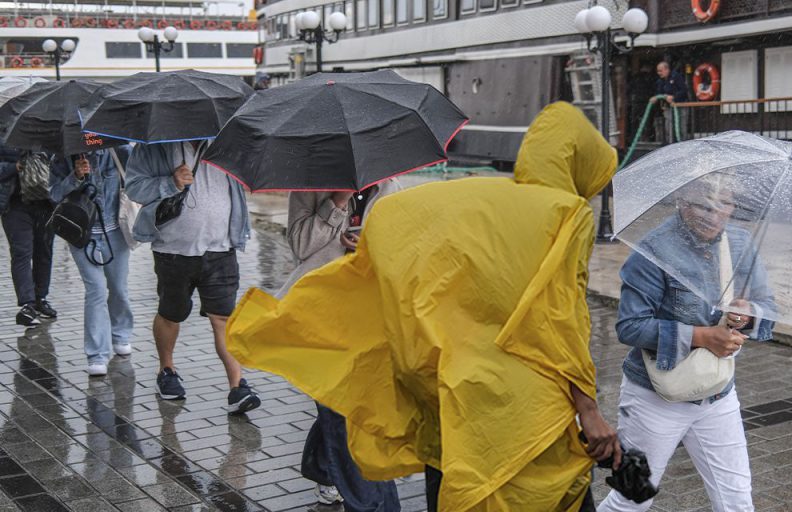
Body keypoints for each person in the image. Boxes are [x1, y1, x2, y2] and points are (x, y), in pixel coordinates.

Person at [228, 102, 621, 511]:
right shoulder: (568, 215)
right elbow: (563, 321)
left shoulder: (469, 197)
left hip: (451, 386)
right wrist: (588, 410)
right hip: (523, 404)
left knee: (443, 473)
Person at [598, 176, 775, 512]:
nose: (713, 214)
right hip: (654, 396)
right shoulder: (653, 250)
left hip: (717, 393)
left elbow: (767, 304)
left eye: (724, 203)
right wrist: (702, 336)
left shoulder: (740, 244)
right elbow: (630, 326)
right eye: (702, 204)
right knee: (631, 499)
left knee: (736, 499)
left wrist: (747, 314)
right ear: (681, 200)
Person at [283, 184, 401, 509]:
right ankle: (371, 503)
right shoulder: (308, 188)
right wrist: (337, 201)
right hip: (321, 314)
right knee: (343, 411)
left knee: (347, 411)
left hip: (368, 319)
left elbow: (402, 249)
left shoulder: (391, 190)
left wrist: (368, 247)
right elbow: (301, 245)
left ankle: (323, 468)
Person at [125, 140, 260, 413]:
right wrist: (170, 183)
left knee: (223, 316)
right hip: (172, 249)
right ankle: (167, 370)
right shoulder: (154, 146)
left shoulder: (226, 141)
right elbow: (135, 187)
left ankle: (237, 386)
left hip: (222, 246)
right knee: (171, 313)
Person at [49, 147, 135, 376]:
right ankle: (97, 354)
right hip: (81, 235)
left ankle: (121, 334)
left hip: (116, 233)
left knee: (118, 289)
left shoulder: (120, 152)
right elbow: (54, 194)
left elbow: (137, 181)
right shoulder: (63, 156)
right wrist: (75, 177)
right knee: (96, 290)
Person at [0, 142, 57, 327]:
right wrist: (14, 167)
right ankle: (27, 303)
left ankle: (41, 298)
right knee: (21, 253)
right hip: (15, 204)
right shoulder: (4, 132)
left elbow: (62, 165)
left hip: (46, 204)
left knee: (44, 253)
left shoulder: (49, 133)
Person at [651, 62, 690, 144]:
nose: (659, 73)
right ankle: (670, 146)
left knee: (682, 128)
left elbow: (684, 91)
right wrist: (656, 97)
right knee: (669, 128)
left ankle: (683, 146)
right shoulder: (660, 81)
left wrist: (674, 97)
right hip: (668, 107)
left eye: (660, 71)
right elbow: (659, 92)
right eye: (658, 71)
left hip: (680, 106)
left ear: (667, 69)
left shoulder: (676, 77)